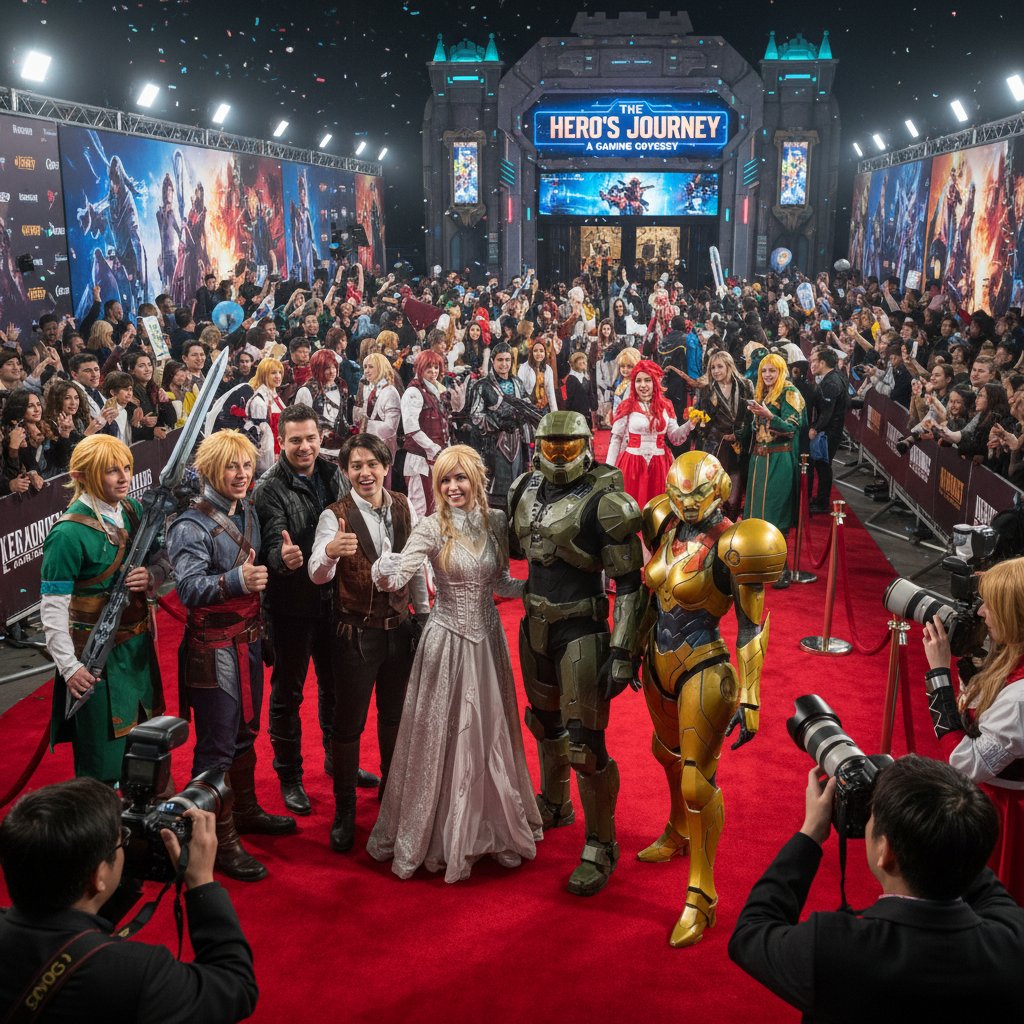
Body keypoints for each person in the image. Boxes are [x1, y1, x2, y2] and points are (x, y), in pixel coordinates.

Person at [728, 755, 1024, 1020]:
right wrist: (938, 820)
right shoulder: (1013, 942)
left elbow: (751, 931)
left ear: (886, 852)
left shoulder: (832, 950)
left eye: (871, 816)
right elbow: (972, 865)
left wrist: (811, 833)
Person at [367, 445, 542, 880]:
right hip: (446, 642)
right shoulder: (431, 528)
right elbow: (398, 576)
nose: (452, 487)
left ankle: (491, 824)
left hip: (488, 642)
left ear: (477, 479)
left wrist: (538, 587)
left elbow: (500, 582)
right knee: (444, 735)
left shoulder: (496, 521)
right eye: (444, 479)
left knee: (490, 731)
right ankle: (440, 831)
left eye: (460, 477)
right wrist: (383, 566)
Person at [639, 451, 786, 946]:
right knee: (665, 752)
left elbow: (751, 626)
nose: (686, 505)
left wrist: (751, 696)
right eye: (679, 496)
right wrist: (627, 649)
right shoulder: (664, 523)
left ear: (718, 490)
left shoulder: (736, 542)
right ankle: (678, 831)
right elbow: (649, 598)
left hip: (703, 663)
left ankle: (701, 898)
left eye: (697, 496)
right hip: (657, 660)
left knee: (698, 782)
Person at [508, 412, 646, 896]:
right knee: (544, 724)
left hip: (582, 628)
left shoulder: (607, 500)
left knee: (584, 744)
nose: (559, 453)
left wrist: (623, 650)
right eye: (552, 445)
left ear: (587, 446)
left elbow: (630, 583)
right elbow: (513, 550)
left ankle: (602, 843)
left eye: (569, 446)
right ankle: (554, 803)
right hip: (534, 624)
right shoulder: (524, 488)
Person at [0, 778, 258, 1020]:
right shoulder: (137, 975)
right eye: (122, 838)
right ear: (98, 877)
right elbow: (236, 987)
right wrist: (201, 882)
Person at [168, 431, 296, 882]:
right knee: (216, 748)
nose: (241, 474)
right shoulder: (190, 525)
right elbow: (187, 588)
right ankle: (215, 841)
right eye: (230, 466)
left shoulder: (247, 511)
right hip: (213, 649)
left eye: (245, 465)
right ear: (209, 470)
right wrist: (237, 580)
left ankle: (244, 810)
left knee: (244, 735)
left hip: (249, 640)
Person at [308, 434, 430, 852]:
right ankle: (345, 810)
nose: (365, 472)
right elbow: (316, 575)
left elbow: (415, 566)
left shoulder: (404, 505)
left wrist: (423, 615)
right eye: (356, 466)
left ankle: (390, 798)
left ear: (385, 467)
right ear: (345, 471)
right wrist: (330, 552)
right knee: (349, 725)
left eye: (372, 464)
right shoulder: (334, 515)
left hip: (400, 630)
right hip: (355, 636)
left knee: (394, 718)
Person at [253, 405, 375, 817]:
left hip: (334, 601)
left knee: (335, 687)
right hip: (290, 605)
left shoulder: (333, 473)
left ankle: (337, 760)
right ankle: (289, 776)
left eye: (310, 438)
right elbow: (272, 544)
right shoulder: (268, 488)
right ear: (281, 441)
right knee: (287, 694)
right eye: (295, 440)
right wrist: (283, 558)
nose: (304, 447)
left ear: (320, 437)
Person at [39, 434, 163, 783]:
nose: (124, 478)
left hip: (137, 651)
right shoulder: (67, 534)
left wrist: (152, 575)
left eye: (127, 467)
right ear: (81, 476)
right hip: (95, 658)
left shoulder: (133, 510)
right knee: (102, 769)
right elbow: (52, 610)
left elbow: (162, 557)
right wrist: (69, 667)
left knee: (147, 756)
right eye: (111, 471)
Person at [921, 556, 1024, 903]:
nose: (980, 613)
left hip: (1004, 816)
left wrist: (938, 674)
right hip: (997, 803)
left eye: (990, 606)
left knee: (989, 907)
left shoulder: (1020, 699)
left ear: (1014, 615)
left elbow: (965, 763)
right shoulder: (1012, 655)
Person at [741, 352, 805, 588]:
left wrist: (770, 416)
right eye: (764, 371)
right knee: (755, 513)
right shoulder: (762, 393)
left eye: (772, 370)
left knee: (776, 514)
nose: (767, 375)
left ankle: (780, 568)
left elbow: (792, 428)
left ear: (781, 371)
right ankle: (756, 564)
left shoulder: (790, 392)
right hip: (758, 460)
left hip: (779, 459)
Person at [605, 359, 694, 511]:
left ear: (655, 382)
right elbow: (616, 439)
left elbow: (674, 438)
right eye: (638, 380)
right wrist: (608, 470)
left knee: (659, 511)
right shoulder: (626, 406)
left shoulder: (666, 405)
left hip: (660, 466)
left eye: (647, 380)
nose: (643, 385)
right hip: (632, 466)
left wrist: (690, 424)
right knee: (632, 510)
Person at [468, 342, 535, 515]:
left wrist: (525, 419)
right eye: (500, 360)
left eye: (507, 360)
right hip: (493, 444)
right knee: (495, 489)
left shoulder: (517, 383)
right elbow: (476, 415)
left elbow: (527, 408)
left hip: (517, 440)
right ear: (492, 361)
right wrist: (497, 423)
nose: (504, 364)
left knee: (518, 485)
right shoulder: (482, 386)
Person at [401, 349, 467, 516]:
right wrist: (433, 448)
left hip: (438, 458)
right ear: (419, 368)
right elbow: (411, 427)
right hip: (420, 459)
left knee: (440, 505)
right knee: (421, 507)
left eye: (436, 367)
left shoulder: (438, 390)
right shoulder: (413, 391)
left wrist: (458, 404)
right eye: (428, 367)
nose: (433, 371)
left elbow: (446, 420)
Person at [695, 350, 753, 520]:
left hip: (739, 444)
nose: (716, 371)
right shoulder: (707, 389)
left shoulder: (745, 385)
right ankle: (713, 522)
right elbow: (701, 418)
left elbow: (750, 415)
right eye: (712, 367)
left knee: (736, 483)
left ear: (729, 366)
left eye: (720, 366)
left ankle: (731, 520)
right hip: (715, 443)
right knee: (713, 484)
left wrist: (740, 434)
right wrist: (705, 430)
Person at [807, 347, 848, 513]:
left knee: (823, 466)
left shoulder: (831, 382)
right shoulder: (837, 376)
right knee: (823, 465)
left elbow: (827, 412)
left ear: (822, 363)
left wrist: (815, 428)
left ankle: (822, 503)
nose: (811, 364)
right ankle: (820, 500)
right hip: (832, 430)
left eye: (814, 361)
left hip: (828, 432)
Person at [354, 352, 402, 487]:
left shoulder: (390, 392)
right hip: (367, 448)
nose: (366, 371)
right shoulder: (369, 389)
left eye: (371, 367)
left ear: (380, 368)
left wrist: (365, 425)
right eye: (365, 367)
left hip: (382, 451)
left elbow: (391, 428)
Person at [295, 349, 349, 464]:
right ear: (318, 369)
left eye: (334, 367)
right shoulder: (307, 390)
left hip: (340, 449)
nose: (332, 371)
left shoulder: (341, 385)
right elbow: (300, 424)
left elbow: (343, 415)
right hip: (315, 450)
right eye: (327, 368)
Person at [246, 357, 285, 476]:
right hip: (270, 459)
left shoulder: (273, 395)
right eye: (273, 373)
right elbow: (260, 439)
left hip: (281, 454)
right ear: (264, 375)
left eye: (280, 372)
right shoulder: (259, 401)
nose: (278, 376)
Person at [517, 338, 558, 415]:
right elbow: (519, 391)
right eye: (535, 351)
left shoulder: (548, 369)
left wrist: (555, 414)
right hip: (528, 409)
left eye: (541, 351)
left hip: (543, 408)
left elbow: (551, 393)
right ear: (531, 352)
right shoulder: (523, 368)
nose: (538, 353)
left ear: (545, 353)